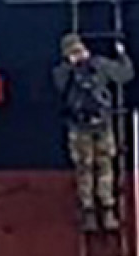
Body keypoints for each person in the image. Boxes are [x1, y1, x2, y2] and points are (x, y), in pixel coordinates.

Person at [53, 34, 134, 234]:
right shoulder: (64, 73)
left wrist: (122, 55)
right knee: (84, 168)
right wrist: (73, 67)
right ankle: (88, 210)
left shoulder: (98, 65)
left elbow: (124, 75)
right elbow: (60, 84)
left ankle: (107, 209)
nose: (78, 54)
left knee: (105, 165)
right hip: (79, 128)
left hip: (101, 125)